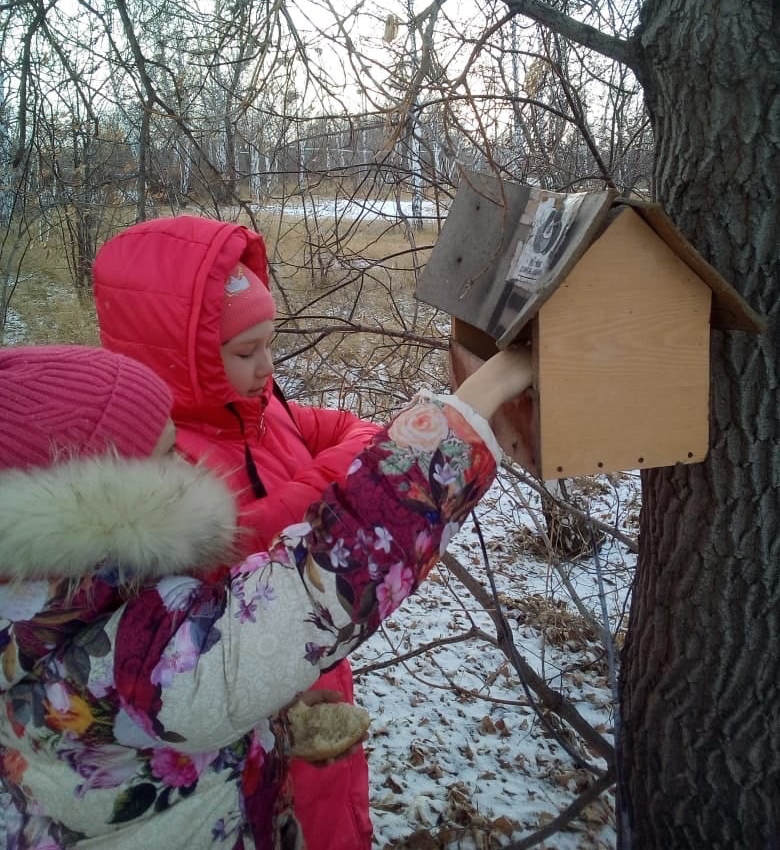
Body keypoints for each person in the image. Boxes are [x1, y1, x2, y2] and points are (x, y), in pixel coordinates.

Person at [0, 341, 533, 849]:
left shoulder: (52, 609)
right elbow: (321, 583)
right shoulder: (121, 653)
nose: (187, 467)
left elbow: (165, 718)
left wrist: (267, 722)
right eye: (166, 456)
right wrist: (475, 402)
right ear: (88, 503)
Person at [93, 215, 382, 849]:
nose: (267, 366)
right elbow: (249, 543)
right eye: (245, 352)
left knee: (335, 810)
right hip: (243, 715)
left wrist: (328, 471)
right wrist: (336, 484)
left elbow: (352, 429)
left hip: (315, 674)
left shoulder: (261, 407)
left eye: (270, 344)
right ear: (182, 357)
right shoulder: (167, 463)